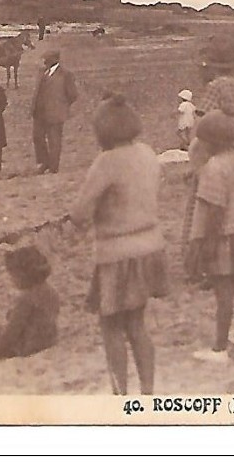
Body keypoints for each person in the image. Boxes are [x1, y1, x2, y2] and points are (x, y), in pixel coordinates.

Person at [70, 94, 168, 395]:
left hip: (116, 253)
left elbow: (80, 213)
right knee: (137, 325)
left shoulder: (106, 162)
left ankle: (120, 395)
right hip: (150, 246)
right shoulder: (148, 154)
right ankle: (148, 391)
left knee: (111, 325)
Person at [188, 112, 234, 364]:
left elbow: (214, 208)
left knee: (223, 290)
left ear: (209, 142)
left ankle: (219, 348)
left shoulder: (214, 168)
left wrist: (207, 243)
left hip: (222, 236)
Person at [0, 246, 60, 359]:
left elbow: (11, 331)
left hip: (29, 346)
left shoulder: (26, 298)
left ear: (23, 275)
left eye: (13, 276)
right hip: (49, 341)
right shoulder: (52, 292)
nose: (12, 280)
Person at [31, 49, 79, 174]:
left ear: (55, 59)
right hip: (39, 112)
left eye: (48, 59)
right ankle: (43, 163)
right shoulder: (42, 72)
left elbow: (73, 94)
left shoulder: (66, 74)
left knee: (54, 140)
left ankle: (53, 167)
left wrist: (61, 105)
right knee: (37, 137)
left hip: (55, 113)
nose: (45, 61)